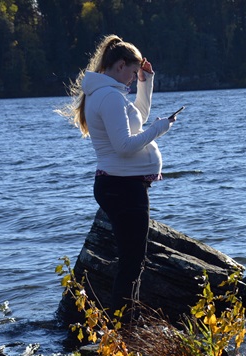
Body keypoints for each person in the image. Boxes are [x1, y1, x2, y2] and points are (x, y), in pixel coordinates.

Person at [58, 34, 176, 320]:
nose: (134, 79)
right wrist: (160, 129)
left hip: (121, 185)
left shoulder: (109, 93)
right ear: (120, 65)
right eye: (134, 73)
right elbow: (124, 146)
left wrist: (147, 83)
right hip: (123, 187)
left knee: (132, 260)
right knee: (131, 262)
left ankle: (122, 327)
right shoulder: (110, 97)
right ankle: (123, 329)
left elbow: (139, 117)